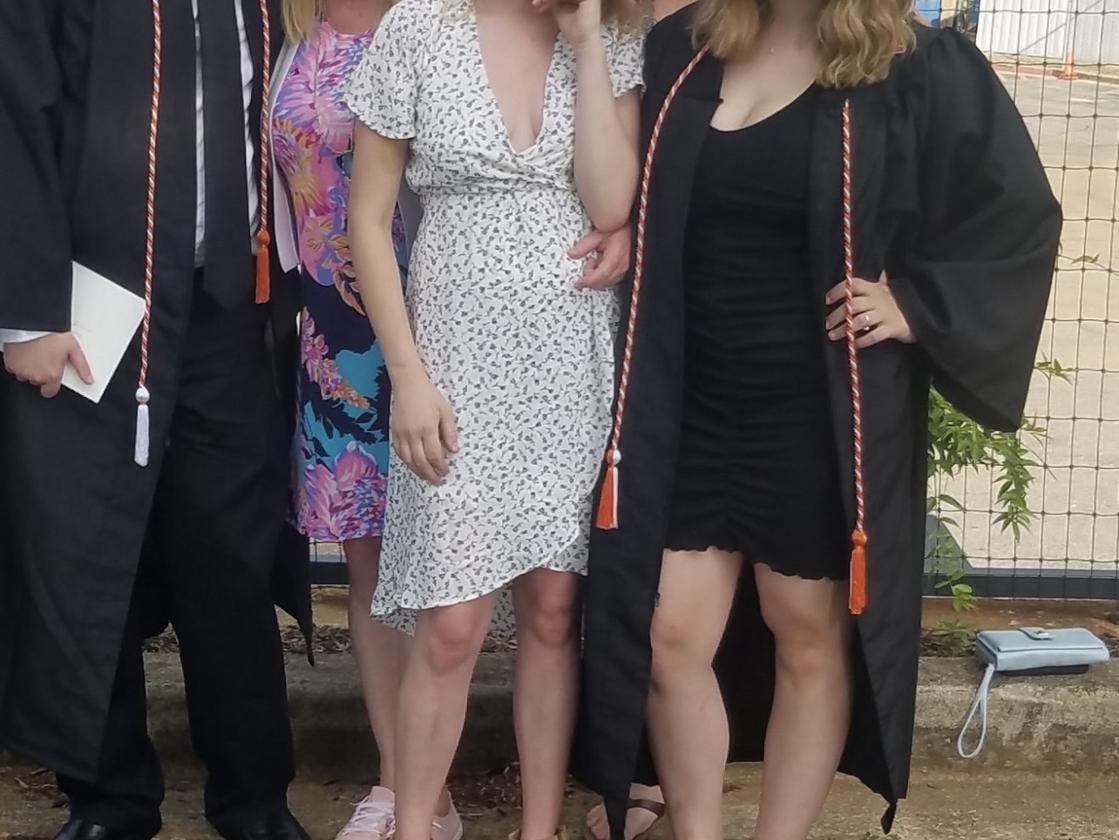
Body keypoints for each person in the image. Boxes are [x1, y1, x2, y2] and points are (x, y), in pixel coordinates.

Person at [573, 3, 1062, 840]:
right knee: (664, 637)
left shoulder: (912, 65)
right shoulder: (686, 47)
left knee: (805, 636)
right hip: (685, 399)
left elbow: (1015, 216)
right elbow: (633, 184)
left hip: (818, 412)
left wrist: (917, 305)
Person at [0, 3, 313, 840]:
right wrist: (26, 314)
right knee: (83, 547)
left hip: (230, 302)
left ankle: (254, 797)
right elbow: (14, 108)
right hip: (86, 303)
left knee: (231, 551)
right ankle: (108, 800)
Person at [343, 0, 643, 837]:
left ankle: (537, 829)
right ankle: (417, 826)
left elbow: (611, 204)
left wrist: (585, 40)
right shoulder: (418, 25)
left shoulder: (610, 35)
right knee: (450, 622)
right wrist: (408, 378)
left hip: (568, 364)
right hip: (452, 361)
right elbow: (366, 219)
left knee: (552, 610)